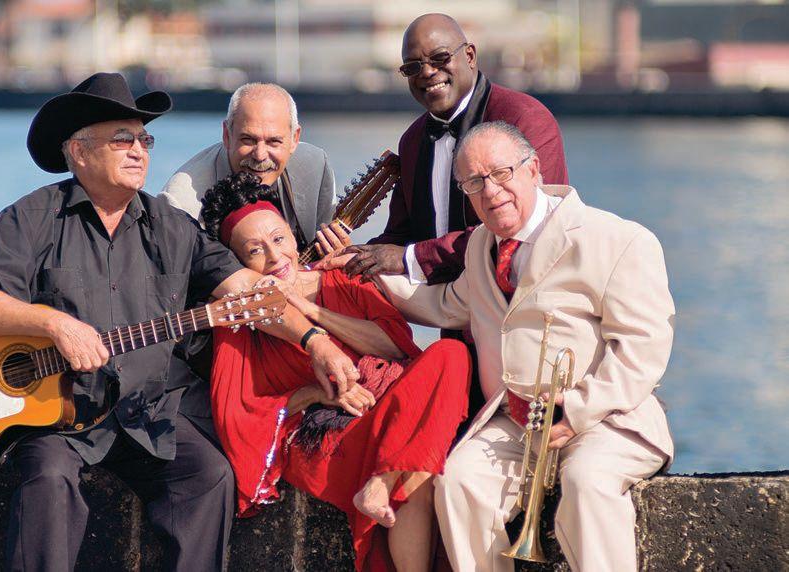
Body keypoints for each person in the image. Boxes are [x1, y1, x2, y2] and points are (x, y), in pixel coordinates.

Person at [0, 72, 360, 572]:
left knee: (209, 478)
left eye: (145, 140)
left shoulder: (172, 227)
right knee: (47, 480)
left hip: (146, 413)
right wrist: (53, 324)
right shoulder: (31, 217)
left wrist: (314, 340)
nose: (139, 151)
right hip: (58, 417)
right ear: (79, 152)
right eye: (123, 139)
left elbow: (251, 293)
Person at [377, 121, 674, 572]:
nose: (490, 191)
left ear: (533, 169)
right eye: (474, 182)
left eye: (501, 174)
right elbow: (444, 304)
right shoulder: (481, 245)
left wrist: (577, 411)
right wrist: (362, 275)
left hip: (607, 419)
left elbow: (644, 346)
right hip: (516, 424)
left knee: (587, 482)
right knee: (459, 481)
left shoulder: (617, 239)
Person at [199, 172, 471, 572]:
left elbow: (394, 347)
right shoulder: (242, 317)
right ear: (238, 264)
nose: (275, 257)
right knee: (416, 476)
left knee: (451, 352)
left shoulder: (340, 277)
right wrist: (318, 393)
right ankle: (383, 482)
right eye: (255, 251)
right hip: (327, 430)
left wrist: (311, 310)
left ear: (293, 236)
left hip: (387, 405)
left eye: (279, 239)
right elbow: (240, 413)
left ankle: (380, 483)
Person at [344, 13, 567, 284]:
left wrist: (410, 258)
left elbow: (528, 227)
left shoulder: (525, 118)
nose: (427, 72)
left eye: (439, 58)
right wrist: (347, 255)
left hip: (520, 298)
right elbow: (399, 238)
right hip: (441, 306)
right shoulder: (412, 139)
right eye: (413, 67)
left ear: (470, 56)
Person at [161, 82, 346, 253]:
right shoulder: (181, 203)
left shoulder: (315, 165)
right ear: (226, 135)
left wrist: (340, 258)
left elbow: (325, 256)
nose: (260, 155)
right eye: (248, 140)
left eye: (274, 142)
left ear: (295, 138)